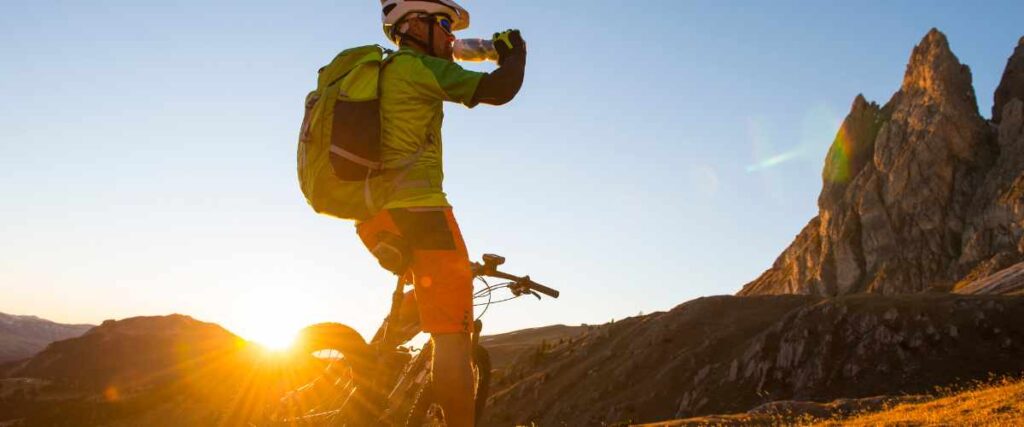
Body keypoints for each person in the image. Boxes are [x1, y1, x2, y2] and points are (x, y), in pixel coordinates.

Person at [356, 1, 526, 425]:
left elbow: (455, 51)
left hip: (372, 213)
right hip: (421, 213)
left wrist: (479, 47)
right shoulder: (417, 67)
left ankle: (360, 385)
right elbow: (498, 90)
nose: (451, 35)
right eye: (444, 24)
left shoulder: (385, 71)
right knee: (452, 340)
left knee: (425, 291)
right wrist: (514, 52)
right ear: (413, 24)